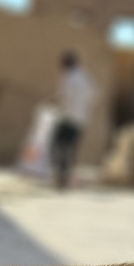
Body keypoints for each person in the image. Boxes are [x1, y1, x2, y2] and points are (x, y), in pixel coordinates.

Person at [50, 51, 95, 190]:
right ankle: (65, 177)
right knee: (71, 149)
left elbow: (66, 97)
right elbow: (92, 95)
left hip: (67, 117)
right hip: (80, 119)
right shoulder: (85, 77)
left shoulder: (69, 77)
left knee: (57, 145)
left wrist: (59, 105)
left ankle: (61, 177)